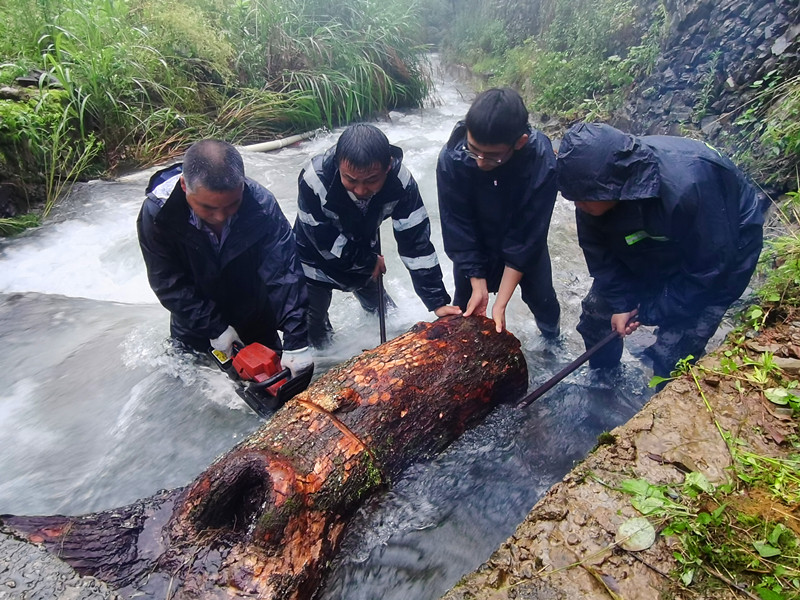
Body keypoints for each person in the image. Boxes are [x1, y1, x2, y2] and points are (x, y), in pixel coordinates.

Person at [556, 122, 765, 377]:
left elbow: (708, 272)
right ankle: (603, 379)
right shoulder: (590, 193)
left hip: (725, 242)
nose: (578, 205)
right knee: (598, 314)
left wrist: (647, 311)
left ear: (614, 186)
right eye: (573, 198)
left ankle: (661, 399)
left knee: (674, 350)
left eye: (584, 199)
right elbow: (600, 255)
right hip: (652, 238)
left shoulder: (686, 187)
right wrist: (622, 304)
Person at [137, 139, 313, 377]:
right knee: (197, 391)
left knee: (277, 390)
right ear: (183, 186)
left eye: (232, 205)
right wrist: (215, 328)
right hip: (194, 324)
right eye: (207, 208)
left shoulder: (261, 206)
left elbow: (284, 272)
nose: (219, 216)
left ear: (242, 186)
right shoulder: (158, 216)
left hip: (255, 316)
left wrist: (296, 338)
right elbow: (168, 282)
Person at [293, 123, 460, 348]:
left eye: (372, 180)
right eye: (350, 179)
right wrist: (368, 260)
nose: (361, 190)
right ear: (338, 165)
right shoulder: (314, 179)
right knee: (317, 339)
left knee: (388, 316)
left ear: (388, 166)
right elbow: (322, 240)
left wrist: (437, 301)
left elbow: (416, 244)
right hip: (312, 259)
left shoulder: (401, 183)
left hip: (362, 251)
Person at [436, 87, 561, 336]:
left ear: (520, 142)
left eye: (493, 156)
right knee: (465, 307)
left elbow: (528, 233)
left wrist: (501, 303)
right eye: (474, 150)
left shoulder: (540, 158)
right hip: (475, 240)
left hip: (525, 239)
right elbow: (457, 225)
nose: (481, 162)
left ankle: (552, 338)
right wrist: (477, 279)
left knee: (543, 300)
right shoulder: (452, 157)